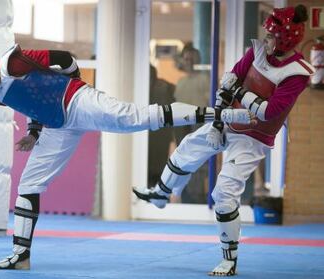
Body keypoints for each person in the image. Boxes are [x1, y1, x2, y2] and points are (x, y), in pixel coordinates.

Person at [0, 44, 253, 270]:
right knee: (29, 185)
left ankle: (220, 114)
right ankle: (19, 254)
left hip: (78, 100)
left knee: (133, 118)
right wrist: (33, 133)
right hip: (57, 126)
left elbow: (64, 58)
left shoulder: (13, 61)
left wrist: (74, 83)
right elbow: (31, 105)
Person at [133, 5, 313, 276]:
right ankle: (161, 193)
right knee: (187, 149)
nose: (266, 39)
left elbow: (269, 111)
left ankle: (229, 260)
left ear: (286, 39)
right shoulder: (256, 52)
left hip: (254, 138)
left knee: (224, 193)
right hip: (229, 121)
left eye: (272, 36)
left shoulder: (297, 72)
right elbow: (227, 84)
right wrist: (217, 122)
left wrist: (238, 90)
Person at [172, 42, 210, 204]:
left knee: (200, 161)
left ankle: (200, 196)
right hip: (182, 123)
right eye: (186, 59)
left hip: (200, 122)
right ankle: (187, 195)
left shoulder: (204, 79)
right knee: (183, 159)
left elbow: (210, 102)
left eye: (191, 59)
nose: (188, 62)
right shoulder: (180, 81)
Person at [148, 64, 175, 187]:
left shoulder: (164, 87)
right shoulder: (167, 87)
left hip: (156, 135)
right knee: (157, 168)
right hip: (160, 134)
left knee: (154, 168)